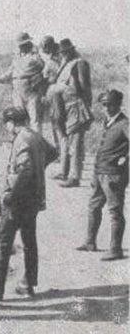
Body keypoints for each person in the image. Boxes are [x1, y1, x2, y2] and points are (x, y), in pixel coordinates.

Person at [0, 108, 58, 301]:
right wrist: (40, 169)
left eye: (7, 123)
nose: (6, 128)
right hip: (34, 200)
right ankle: (28, 285)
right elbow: (53, 153)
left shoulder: (21, 138)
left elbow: (25, 170)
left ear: (12, 122)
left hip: (18, 200)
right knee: (29, 241)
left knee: (2, 242)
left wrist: (11, 195)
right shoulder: (35, 136)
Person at [76, 90, 128, 261]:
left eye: (110, 104)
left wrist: (126, 158)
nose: (106, 108)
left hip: (113, 175)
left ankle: (116, 249)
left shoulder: (124, 123)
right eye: (104, 105)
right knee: (93, 206)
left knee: (114, 211)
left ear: (118, 104)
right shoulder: (108, 122)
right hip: (100, 172)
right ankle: (90, 242)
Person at [50, 38, 93, 187]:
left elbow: (84, 86)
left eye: (65, 52)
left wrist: (86, 105)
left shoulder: (80, 63)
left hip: (75, 106)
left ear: (71, 51)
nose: (62, 54)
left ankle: (75, 177)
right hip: (64, 107)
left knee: (75, 141)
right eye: (61, 52)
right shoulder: (65, 63)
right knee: (65, 140)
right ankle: (65, 171)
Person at [0, 32, 46, 133]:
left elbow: (43, 68)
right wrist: (0, 79)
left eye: (23, 45)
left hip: (31, 90)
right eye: (20, 45)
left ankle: (37, 144)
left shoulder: (35, 57)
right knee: (18, 117)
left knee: (34, 118)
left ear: (28, 44)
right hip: (17, 90)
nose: (21, 47)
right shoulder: (17, 58)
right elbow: (10, 71)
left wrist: (38, 78)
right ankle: (22, 140)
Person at [39, 35, 63, 153]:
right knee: (54, 120)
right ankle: (59, 148)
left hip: (58, 92)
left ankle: (61, 149)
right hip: (53, 91)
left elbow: (50, 76)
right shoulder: (53, 58)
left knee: (58, 120)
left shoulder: (58, 58)